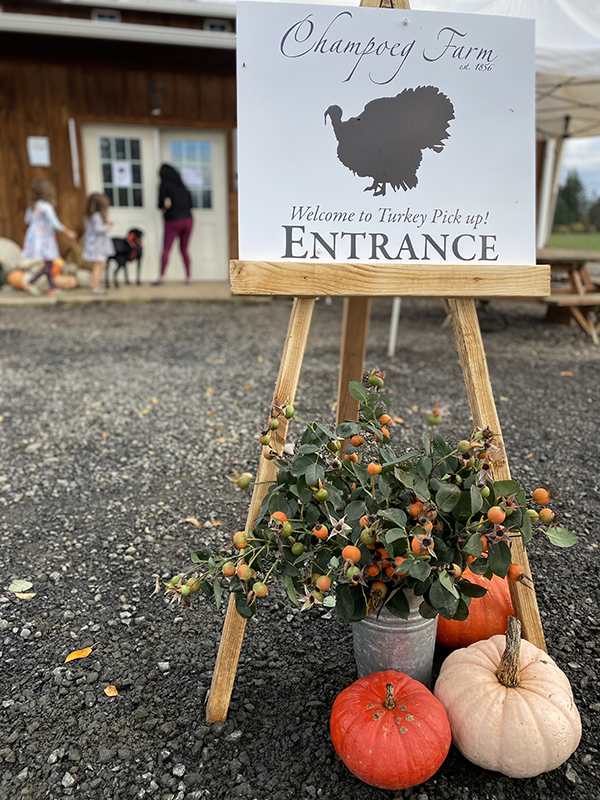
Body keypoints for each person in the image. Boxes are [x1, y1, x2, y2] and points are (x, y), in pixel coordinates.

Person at [21, 179, 76, 296]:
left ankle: (51, 289)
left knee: (48, 264)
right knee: (49, 264)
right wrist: (68, 232)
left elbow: (27, 220)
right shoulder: (46, 206)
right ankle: (30, 282)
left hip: (34, 238)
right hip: (44, 239)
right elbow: (54, 223)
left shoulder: (32, 206)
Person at [154, 164, 193, 285]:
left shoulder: (165, 185)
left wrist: (165, 205)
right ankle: (188, 277)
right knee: (184, 249)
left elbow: (160, 205)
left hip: (173, 220)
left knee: (166, 249)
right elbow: (191, 204)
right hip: (188, 220)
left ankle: (162, 276)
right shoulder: (182, 186)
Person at [82, 193, 115, 296]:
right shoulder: (96, 216)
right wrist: (108, 225)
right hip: (96, 245)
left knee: (101, 264)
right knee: (98, 265)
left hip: (95, 244)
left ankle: (93, 284)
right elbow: (98, 229)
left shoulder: (88, 216)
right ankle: (95, 288)